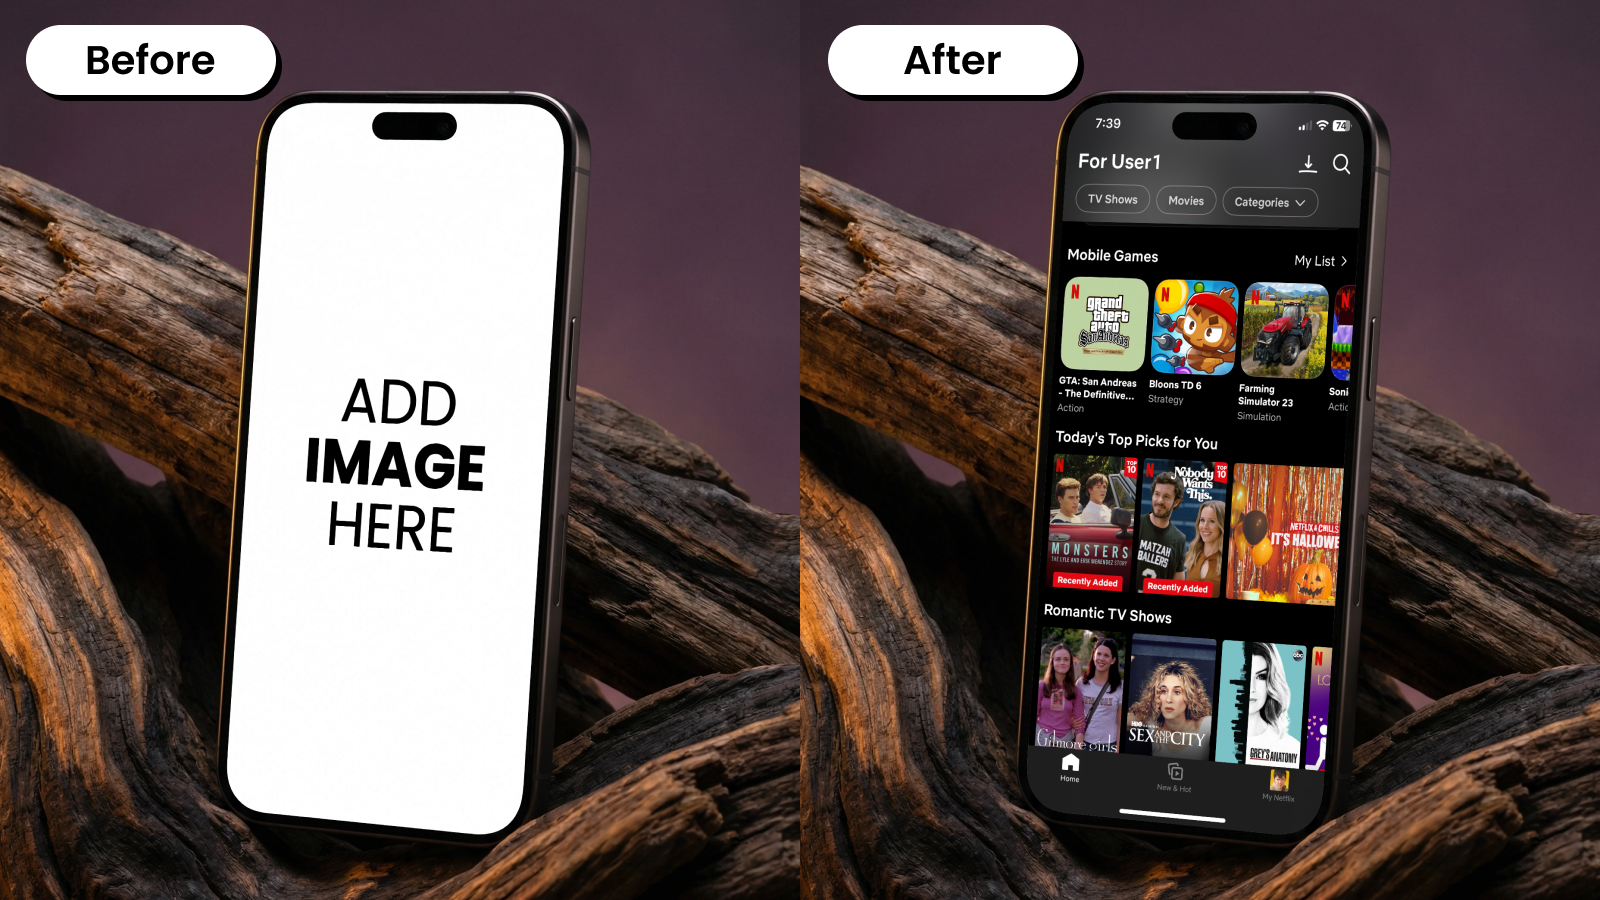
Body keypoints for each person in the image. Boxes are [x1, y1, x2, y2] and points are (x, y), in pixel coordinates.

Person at [1128, 660, 1212, 760]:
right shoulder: (1152, 723)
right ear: (1155, 695)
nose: (1168, 699)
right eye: (1163, 691)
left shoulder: (1207, 726)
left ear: (1190, 697)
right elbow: (1114, 719)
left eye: (1177, 692)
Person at [1245, 642, 1301, 767]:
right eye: (1243, 673)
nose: (1251, 688)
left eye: (1261, 676)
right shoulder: (1206, 733)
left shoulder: (1292, 749)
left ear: (1271, 682)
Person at [1136, 472, 1187, 582]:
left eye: (1166, 496)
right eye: (1157, 494)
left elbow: (1177, 586)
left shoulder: (1179, 539)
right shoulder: (1138, 524)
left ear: (1176, 502)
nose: (1159, 500)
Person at [1035, 642, 1085, 748]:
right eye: (1058, 659)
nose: (1062, 662)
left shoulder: (1076, 692)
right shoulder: (1041, 687)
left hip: (1064, 743)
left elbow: (1080, 726)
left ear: (1070, 663)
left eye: (1066, 659)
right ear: (1052, 662)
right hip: (1041, 741)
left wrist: (1078, 749)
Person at [1077, 636, 1123, 751]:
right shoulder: (1082, 683)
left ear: (1113, 660)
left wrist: (1118, 749)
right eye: (1099, 654)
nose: (1101, 658)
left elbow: (1121, 723)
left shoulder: (1120, 686)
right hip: (1085, 744)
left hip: (1109, 746)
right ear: (1093, 656)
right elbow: (1073, 712)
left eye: (1106, 655)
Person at [1182, 499, 1227, 596]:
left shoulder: (1230, 563)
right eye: (1202, 520)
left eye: (1212, 521)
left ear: (1222, 525)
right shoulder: (1190, 556)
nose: (1204, 526)